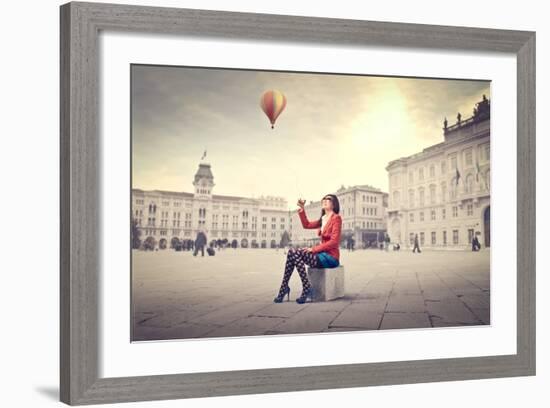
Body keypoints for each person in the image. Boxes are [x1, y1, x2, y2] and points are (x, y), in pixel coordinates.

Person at [274, 194, 342, 304]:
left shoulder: (336, 218)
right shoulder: (323, 219)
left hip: (331, 258)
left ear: (334, 204)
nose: (325, 200)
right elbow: (306, 224)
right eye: (323, 198)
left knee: (294, 253)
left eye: (328, 199)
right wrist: (302, 209)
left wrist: (313, 249)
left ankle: (296, 288)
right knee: (292, 252)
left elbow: (334, 242)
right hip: (321, 255)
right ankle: (288, 287)